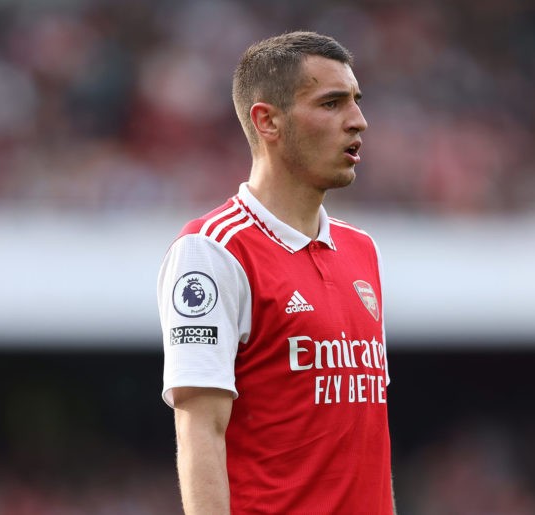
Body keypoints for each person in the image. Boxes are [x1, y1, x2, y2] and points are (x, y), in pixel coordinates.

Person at [156, 31, 394, 514]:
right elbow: (200, 427)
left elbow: (369, 432)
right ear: (267, 121)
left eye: (356, 102)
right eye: (332, 104)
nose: (358, 121)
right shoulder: (213, 251)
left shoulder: (361, 249)